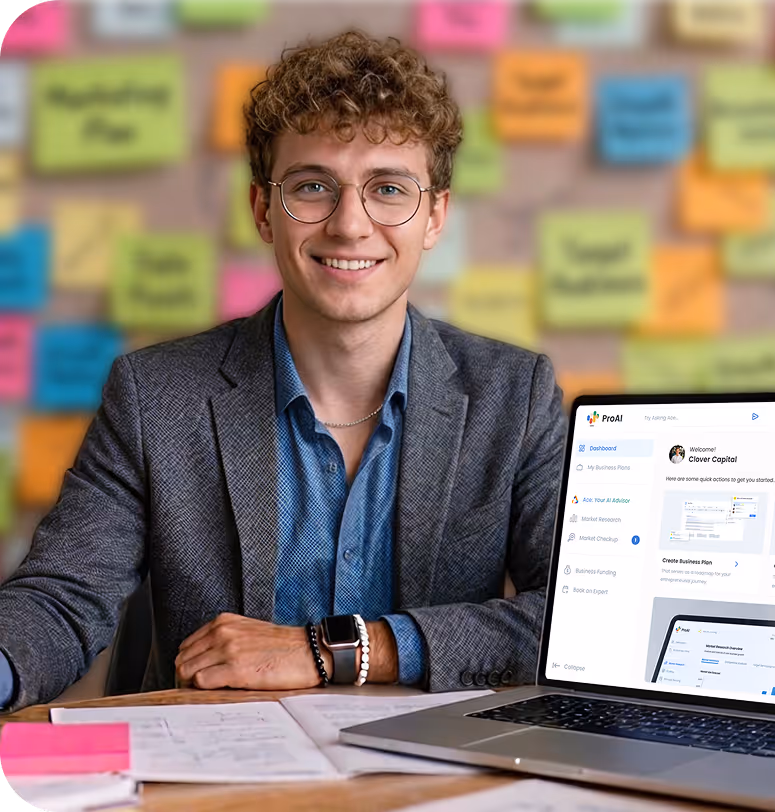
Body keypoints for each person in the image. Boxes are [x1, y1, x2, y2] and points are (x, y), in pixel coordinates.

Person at [0, 30, 565, 712]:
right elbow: (61, 598)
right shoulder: (154, 395)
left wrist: (344, 650)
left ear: (435, 217)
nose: (350, 225)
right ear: (264, 211)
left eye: (388, 189)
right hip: (217, 779)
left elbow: (572, 623)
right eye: (313, 187)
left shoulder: (517, 396)